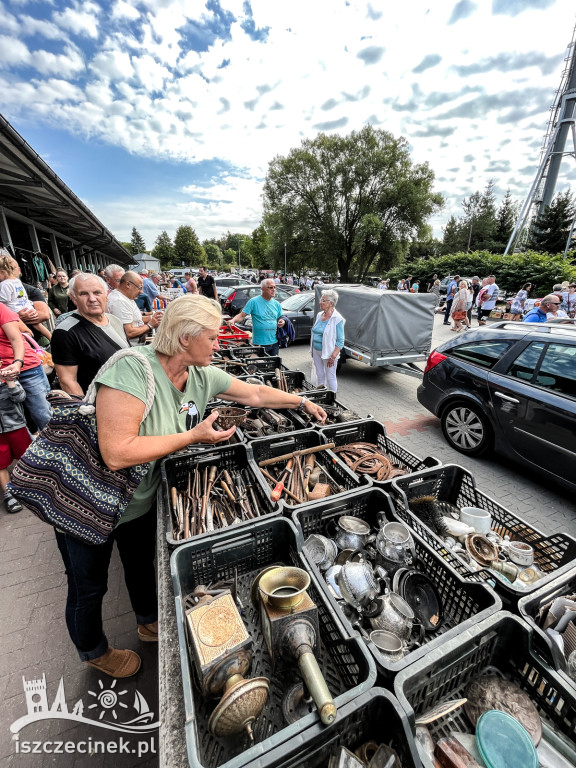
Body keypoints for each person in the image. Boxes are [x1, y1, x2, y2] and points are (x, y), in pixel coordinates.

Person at [51, 295, 328, 679]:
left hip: (139, 498)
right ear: (185, 338)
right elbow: (116, 452)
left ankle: (148, 622)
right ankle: (93, 650)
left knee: (139, 565)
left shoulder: (200, 375)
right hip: (87, 500)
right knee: (88, 585)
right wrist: (192, 436)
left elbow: (256, 393)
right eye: (213, 337)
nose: (220, 343)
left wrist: (302, 401)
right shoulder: (133, 368)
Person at [51, 273, 129, 395]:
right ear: (74, 298)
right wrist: (86, 409)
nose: (92, 299)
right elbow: (68, 381)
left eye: (97, 292)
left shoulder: (115, 320)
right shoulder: (65, 332)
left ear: (107, 295)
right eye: (83, 294)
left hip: (128, 396)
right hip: (99, 405)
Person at [0, 303, 52, 431]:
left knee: (43, 415)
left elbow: (18, 337)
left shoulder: (1, 309)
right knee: (12, 424)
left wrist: (17, 362)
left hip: (27, 369)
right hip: (2, 376)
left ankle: (61, 447)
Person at [0, 254, 52, 342]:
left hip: (15, 310)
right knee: (38, 325)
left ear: (2, 272)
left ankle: (28, 338)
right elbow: (22, 294)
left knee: (19, 330)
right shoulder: (17, 282)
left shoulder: (4, 284)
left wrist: (17, 317)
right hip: (26, 306)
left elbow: (2, 302)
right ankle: (53, 339)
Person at [0, 374, 31, 513]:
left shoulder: (8, 381)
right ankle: (9, 493)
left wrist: (10, 382)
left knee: (27, 458)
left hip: (16, 427)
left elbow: (20, 397)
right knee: (1, 464)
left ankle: (32, 486)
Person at [230, 279, 285, 356]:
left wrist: (282, 321)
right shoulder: (253, 302)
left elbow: (280, 318)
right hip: (260, 344)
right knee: (260, 366)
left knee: (273, 366)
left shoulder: (277, 304)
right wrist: (233, 320)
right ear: (262, 289)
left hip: (274, 343)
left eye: (275, 287)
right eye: (270, 287)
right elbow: (242, 315)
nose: (273, 289)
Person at [106, 272, 162, 346]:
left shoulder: (126, 297)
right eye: (139, 287)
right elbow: (128, 332)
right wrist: (150, 325)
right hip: (130, 348)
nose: (141, 291)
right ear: (128, 284)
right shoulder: (119, 301)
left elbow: (135, 319)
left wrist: (154, 317)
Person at [310, 290, 345, 392]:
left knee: (330, 377)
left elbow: (340, 340)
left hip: (329, 353)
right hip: (316, 351)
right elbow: (315, 333)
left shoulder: (337, 319)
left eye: (323, 300)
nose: (321, 302)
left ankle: (332, 399)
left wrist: (333, 356)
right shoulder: (319, 315)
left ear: (331, 303)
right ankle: (321, 396)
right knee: (320, 375)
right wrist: (312, 350)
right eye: (321, 299)